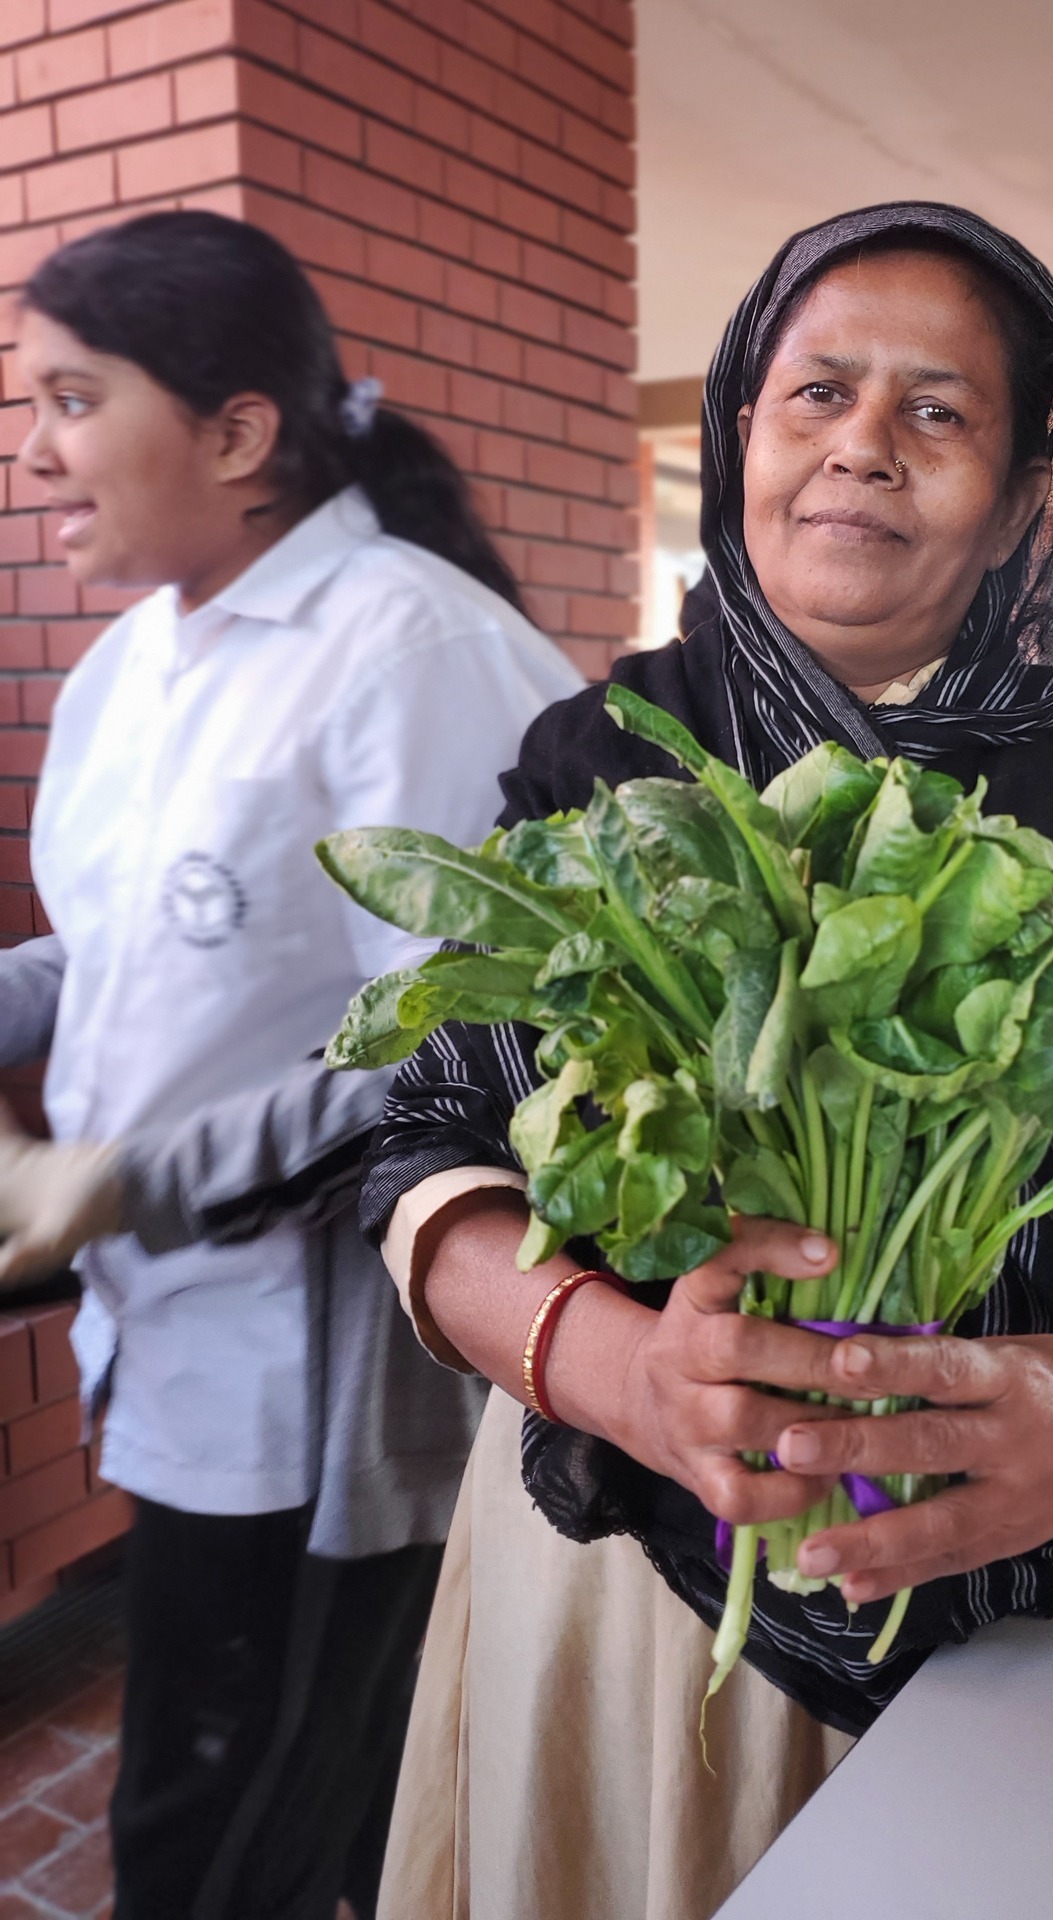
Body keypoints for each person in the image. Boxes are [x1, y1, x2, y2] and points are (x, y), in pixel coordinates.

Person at [364, 202, 1053, 1920]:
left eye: (938, 411)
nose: (862, 445)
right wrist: (633, 1375)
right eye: (816, 394)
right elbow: (437, 1164)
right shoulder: (601, 761)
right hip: (631, 1584)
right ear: (739, 438)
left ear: (1028, 495)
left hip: (1005, 1572)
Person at [0, 210, 583, 1918]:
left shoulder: (416, 650)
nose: (34, 448)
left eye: (72, 397)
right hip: (176, 1346)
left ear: (240, 432)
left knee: (222, 1845)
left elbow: (469, 1035)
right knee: (263, 1813)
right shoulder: (138, 662)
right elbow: (109, 946)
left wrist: (121, 1178)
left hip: (322, 1389)